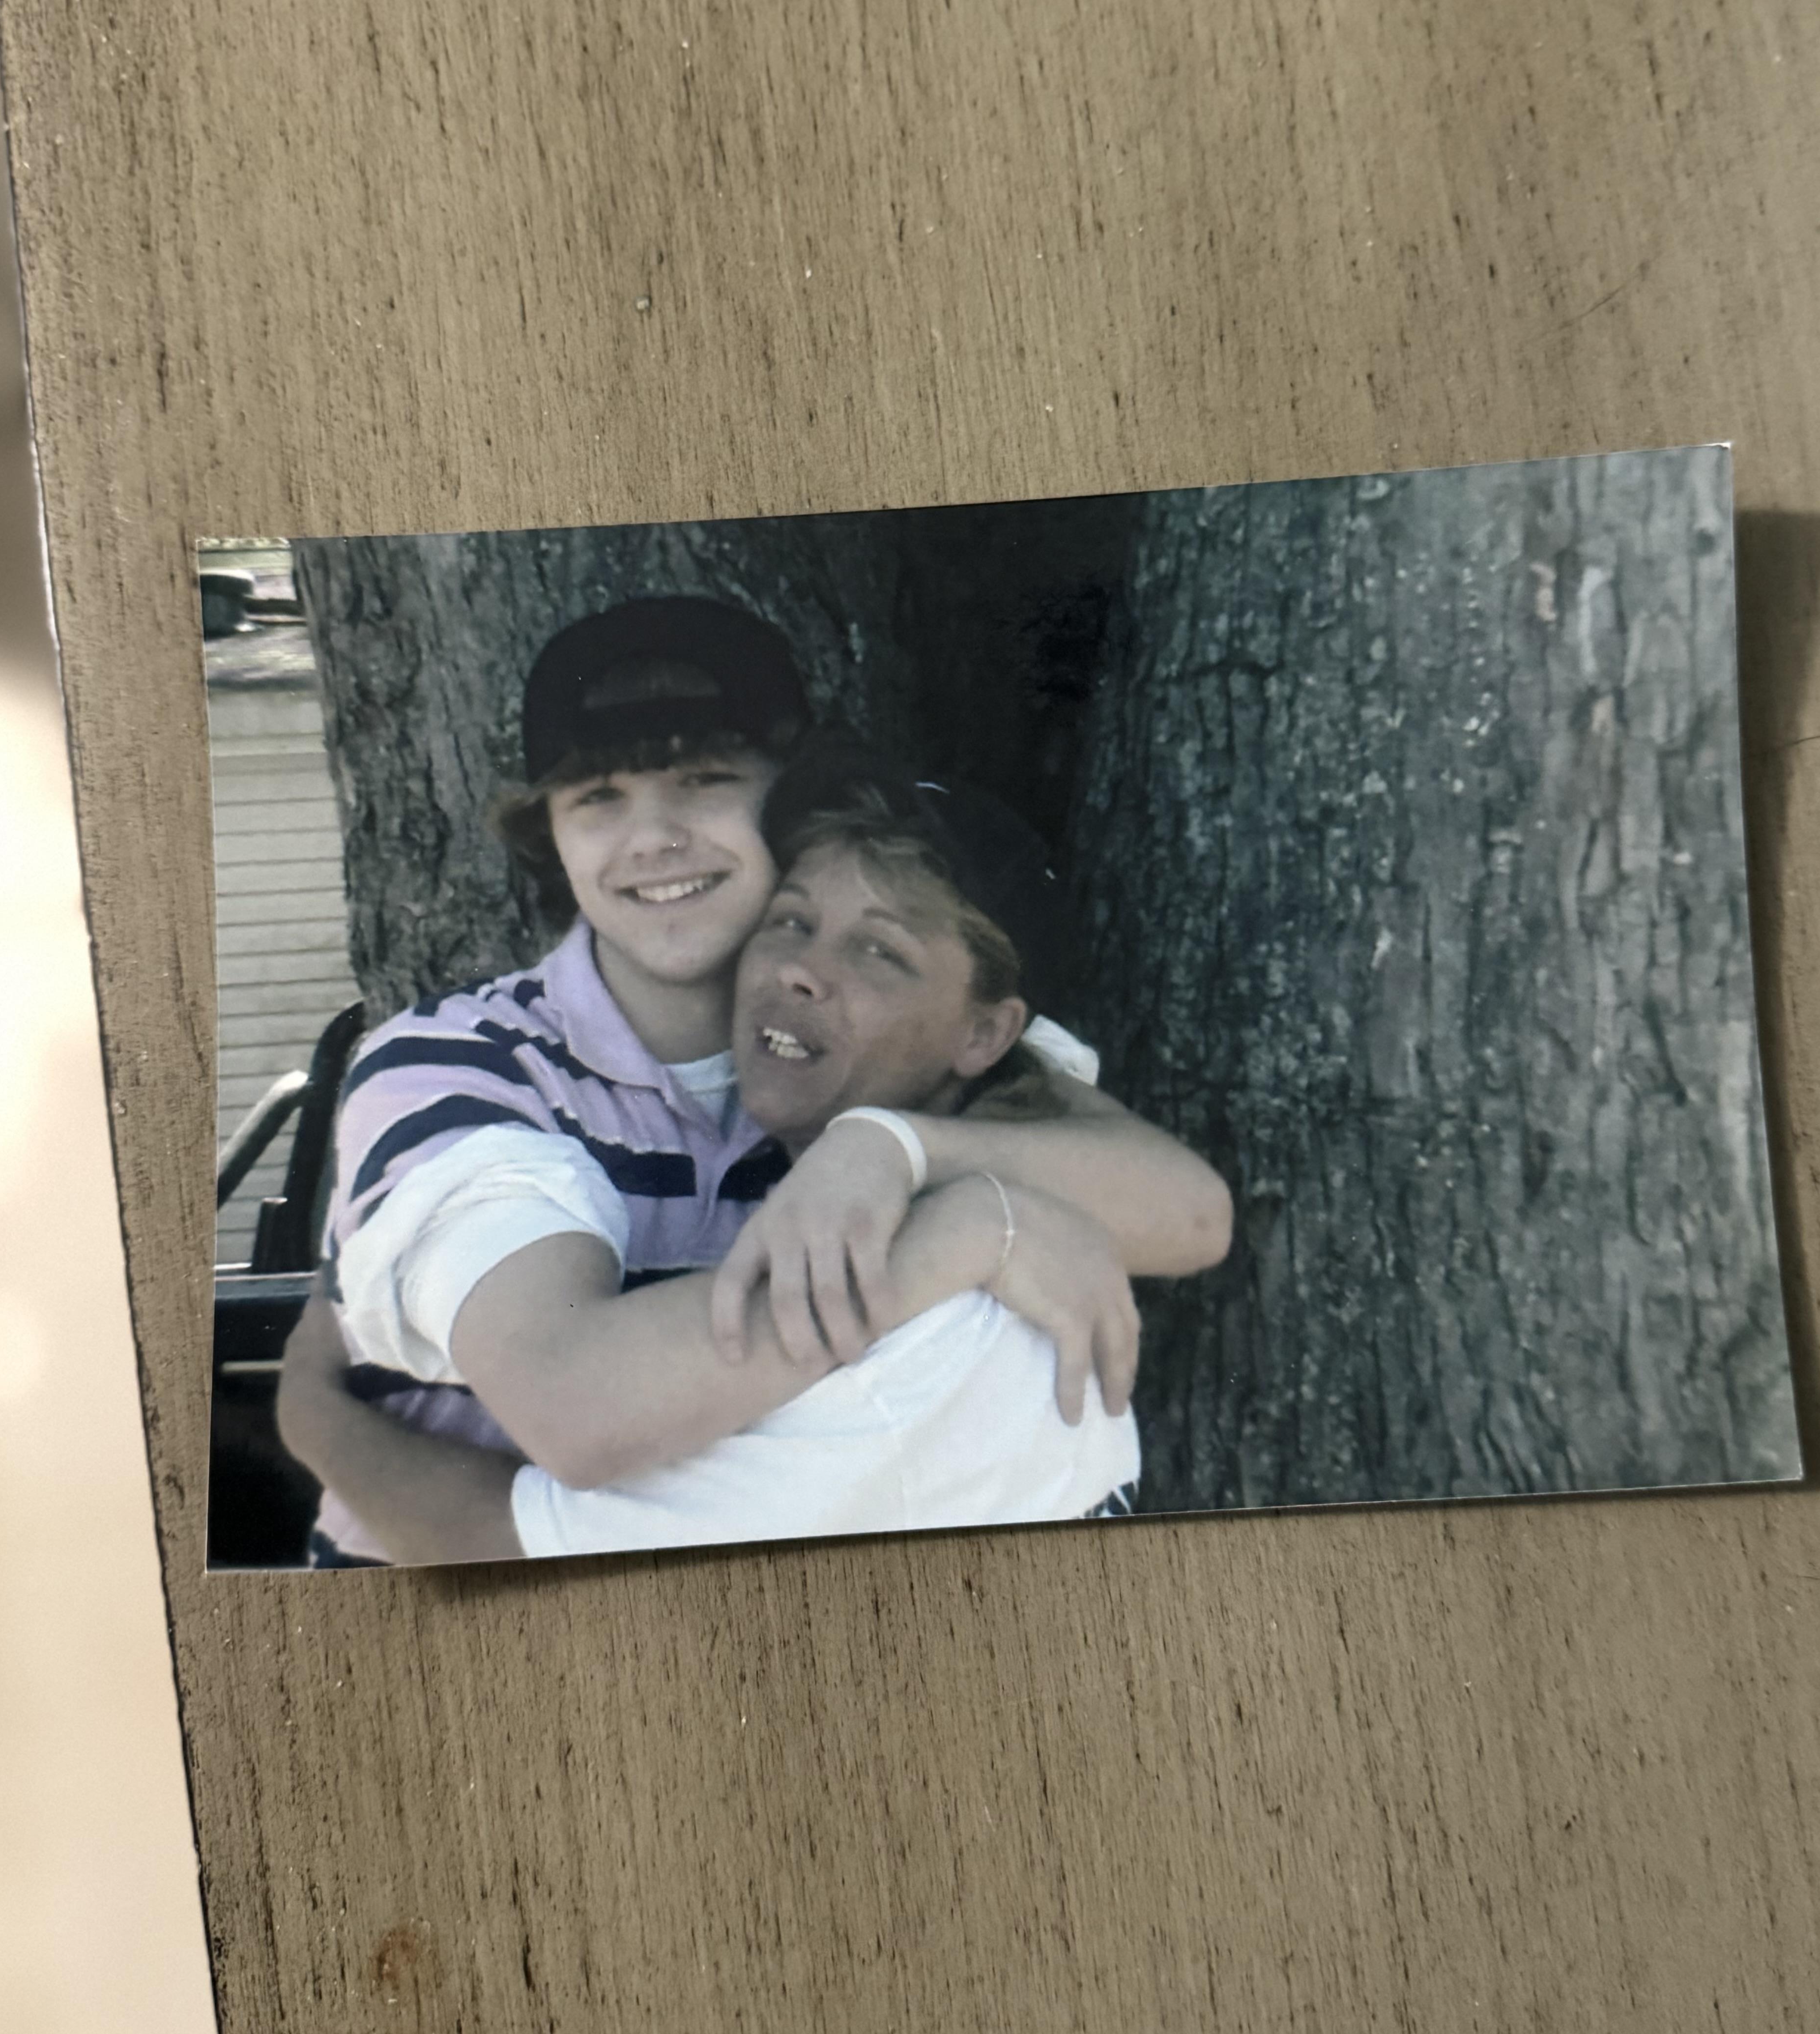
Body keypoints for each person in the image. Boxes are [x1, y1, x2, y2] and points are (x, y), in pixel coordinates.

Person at [295, 598, 1232, 1561]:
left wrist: (895, 1150)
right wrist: (966, 1230)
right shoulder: (462, 1063)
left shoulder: (884, 1053)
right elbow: (577, 1411)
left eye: (704, 779)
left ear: (787, 802)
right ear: (552, 835)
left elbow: (1188, 1210)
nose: (654, 837)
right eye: (597, 798)